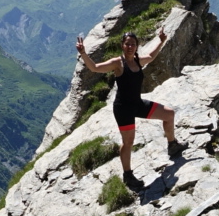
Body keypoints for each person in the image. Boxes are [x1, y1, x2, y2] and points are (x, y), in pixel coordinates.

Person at [75, 27, 184, 187]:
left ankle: (172, 145)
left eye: (133, 44)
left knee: (169, 114)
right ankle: (128, 175)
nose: (130, 46)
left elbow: (151, 57)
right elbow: (95, 68)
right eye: (127, 44)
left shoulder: (138, 60)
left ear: (137, 46)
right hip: (123, 109)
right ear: (122, 46)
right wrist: (83, 53)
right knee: (128, 142)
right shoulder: (118, 63)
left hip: (137, 104)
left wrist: (161, 41)